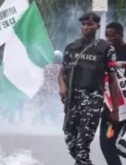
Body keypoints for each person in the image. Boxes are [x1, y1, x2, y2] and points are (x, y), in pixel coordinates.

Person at [58, 12, 119, 165]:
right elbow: (62, 72)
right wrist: (62, 86)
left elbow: (112, 80)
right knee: (71, 141)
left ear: (97, 26)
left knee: (82, 144)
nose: (86, 27)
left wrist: (115, 110)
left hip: (92, 99)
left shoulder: (106, 49)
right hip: (72, 100)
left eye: (90, 25)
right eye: (84, 24)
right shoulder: (72, 47)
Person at [100, 21, 126, 165]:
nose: (109, 39)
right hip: (108, 108)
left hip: (124, 108)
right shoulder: (105, 53)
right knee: (106, 144)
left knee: (119, 144)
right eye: (107, 36)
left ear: (121, 34)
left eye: (112, 36)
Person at [34, 50, 62, 123]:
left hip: (45, 88)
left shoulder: (47, 67)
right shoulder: (61, 68)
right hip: (56, 89)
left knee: (46, 103)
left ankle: (41, 117)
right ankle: (50, 119)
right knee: (53, 104)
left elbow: (44, 77)